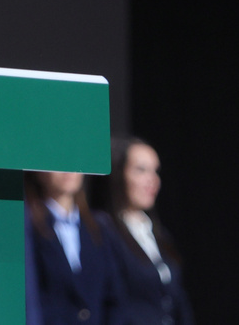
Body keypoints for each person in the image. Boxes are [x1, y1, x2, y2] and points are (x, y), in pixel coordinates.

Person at [93, 137, 195, 325]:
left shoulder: (159, 234)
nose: (153, 180)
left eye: (155, 171)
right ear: (118, 174)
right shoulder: (103, 229)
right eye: (141, 170)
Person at [24, 170, 123, 324]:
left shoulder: (99, 228)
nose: (67, 170)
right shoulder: (29, 226)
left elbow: (114, 297)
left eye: (73, 160)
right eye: (57, 161)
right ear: (38, 172)